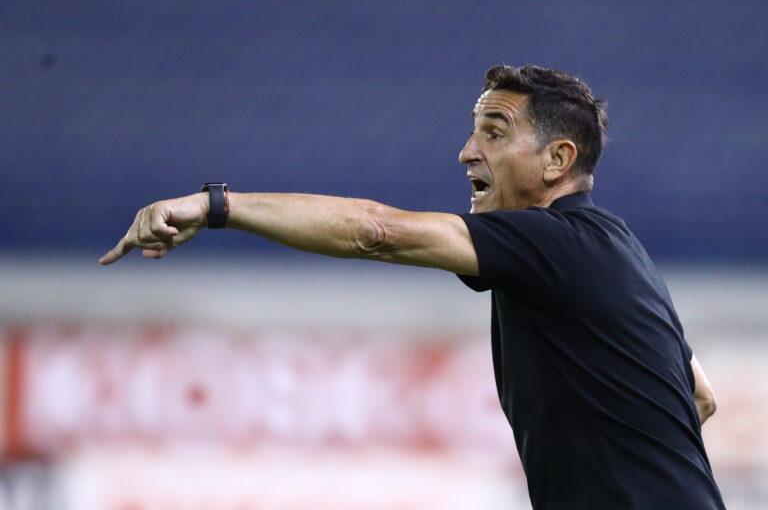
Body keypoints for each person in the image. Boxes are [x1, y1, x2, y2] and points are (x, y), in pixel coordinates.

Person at [100, 64, 725, 509]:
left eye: (495, 133)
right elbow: (699, 395)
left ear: (557, 160)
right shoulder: (612, 251)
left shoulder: (556, 246)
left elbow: (376, 232)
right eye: (475, 131)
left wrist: (217, 207)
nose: (466, 152)